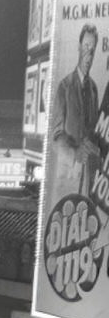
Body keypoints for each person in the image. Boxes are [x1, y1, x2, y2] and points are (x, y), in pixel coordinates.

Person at [51, 22, 101, 197]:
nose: (89, 53)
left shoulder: (94, 89)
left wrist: (96, 149)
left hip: (89, 181)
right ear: (79, 47)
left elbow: (94, 132)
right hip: (68, 180)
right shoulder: (64, 86)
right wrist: (75, 153)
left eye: (92, 49)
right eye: (86, 46)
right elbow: (56, 136)